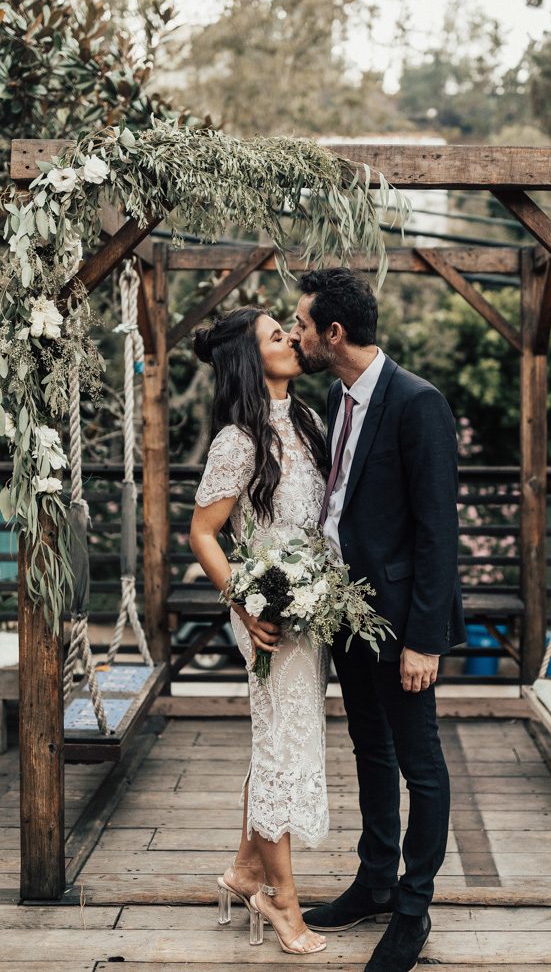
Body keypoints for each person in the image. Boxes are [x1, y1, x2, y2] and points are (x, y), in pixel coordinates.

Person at [289, 267, 464, 972]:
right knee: (369, 748)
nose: (296, 334)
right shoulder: (336, 398)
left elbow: (437, 532)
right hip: (345, 615)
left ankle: (413, 906)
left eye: (301, 324)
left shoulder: (418, 403)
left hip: (400, 625)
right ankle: (374, 881)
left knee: (419, 762)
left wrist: (424, 639)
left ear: (334, 333)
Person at [189, 306, 329, 956]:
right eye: (278, 336)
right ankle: (280, 900)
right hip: (266, 615)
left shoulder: (308, 420)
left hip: (313, 610)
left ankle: (246, 871)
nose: (294, 340)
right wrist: (244, 604)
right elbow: (203, 533)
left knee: (282, 740)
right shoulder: (237, 439)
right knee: (280, 745)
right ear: (251, 357)